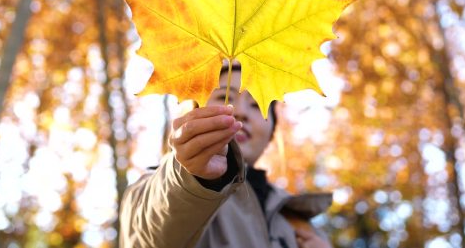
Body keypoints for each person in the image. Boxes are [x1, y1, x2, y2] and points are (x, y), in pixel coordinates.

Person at [119, 63, 333, 248]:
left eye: (256, 104)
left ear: (271, 133)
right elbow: (146, 235)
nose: (240, 111)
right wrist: (190, 179)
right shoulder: (167, 186)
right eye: (223, 96)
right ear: (194, 112)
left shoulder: (298, 223)